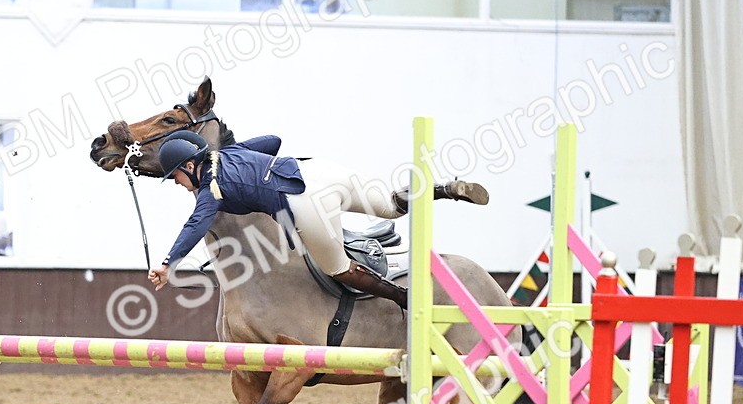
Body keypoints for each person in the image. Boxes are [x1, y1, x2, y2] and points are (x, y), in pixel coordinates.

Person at [146, 131, 488, 310]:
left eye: (175, 176)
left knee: (338, 269)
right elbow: (273, 141)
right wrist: (252, 168)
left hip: (306, 204)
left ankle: (404, 300)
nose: (177, 183)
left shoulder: (212, 189)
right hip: (320, 170)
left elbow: (196, 224)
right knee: (390, 206)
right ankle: (442, 188)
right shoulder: (229, 153)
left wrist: (167, 263)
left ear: (190, 166)